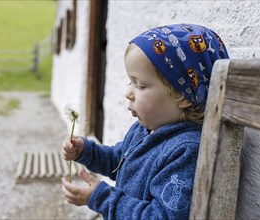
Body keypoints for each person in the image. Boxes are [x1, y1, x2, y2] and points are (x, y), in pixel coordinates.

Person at [61, 23, 229, 219]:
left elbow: (160, 216)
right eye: (129, 82)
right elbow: (119, 160)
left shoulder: (185, 151)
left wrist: (103, 199)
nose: (128, 93)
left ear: (182, 95)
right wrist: (86, 151)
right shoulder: (144, 129)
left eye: (139, 85)